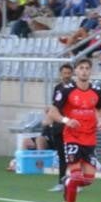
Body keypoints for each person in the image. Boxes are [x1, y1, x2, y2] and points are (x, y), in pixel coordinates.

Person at [46, 57, 101, 202]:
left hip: (90, 138)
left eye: (87, 68)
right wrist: (66, 121)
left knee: (88, 180)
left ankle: (67, 182)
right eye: (81, 68)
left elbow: (99, 109)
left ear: (90, 71)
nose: (84, 71)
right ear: (75, 71)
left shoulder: (97, 90)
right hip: (72, 137)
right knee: (77, 176)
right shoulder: (66, 90)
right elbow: (52, 112)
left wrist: (100, 121)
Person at [44, 62, 73, 191]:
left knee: (73, 155)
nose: (66, 75)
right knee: (61, 155)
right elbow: (55, 106)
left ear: (72, 74)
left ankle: (75, 182)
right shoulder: (57, 88)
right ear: (60, 74)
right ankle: (61, 182)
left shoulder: (75, 89)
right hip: (58, 126)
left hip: (70, 126)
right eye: (64, 73)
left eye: (68, 73)